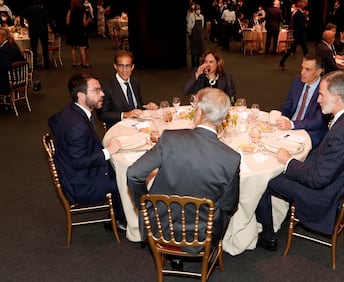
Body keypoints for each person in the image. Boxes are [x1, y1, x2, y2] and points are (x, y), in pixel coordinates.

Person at [255, 70, 344, 251]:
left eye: (321, 95)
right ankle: (284, 213)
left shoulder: (341, 135)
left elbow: (317, 179)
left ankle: (268, 236)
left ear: (336, 97)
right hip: (340, 184)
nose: (318, 100)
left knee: (265, 180)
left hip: (326, 196)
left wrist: (289, 162)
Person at [127, 87, 241, 268]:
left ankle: (174, 256)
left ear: (200, 112)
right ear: (223, 118)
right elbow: (229, 205)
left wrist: (145, 205)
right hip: (203, 232)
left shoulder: (170, 139)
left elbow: (133, 174)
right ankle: (210, 252)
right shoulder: (231, 158)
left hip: (161, 225)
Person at [48, 72, 127, 231]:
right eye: (96, 91)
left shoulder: (70, 110)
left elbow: (52, 121)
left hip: (74, 173)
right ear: (81, 95)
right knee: (128, 179)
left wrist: (65, 144)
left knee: (120, 166)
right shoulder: (77, 125)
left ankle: (119, 214)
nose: (102, 94)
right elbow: (78, 162)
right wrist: (107, 152)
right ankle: (121, 221)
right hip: (82, 183)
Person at [275, 53, 328, 148]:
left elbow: (317, 121)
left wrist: (292, 124)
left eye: (308, 70)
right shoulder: (298, 82)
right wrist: (280, 117)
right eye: (302, 68)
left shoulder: (325, 90)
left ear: (318, 72)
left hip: (310, 132)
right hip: (290, 127)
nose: (302, 72)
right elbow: (288, 105)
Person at [98, 50, 158, 129]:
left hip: (138, 123)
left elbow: (135, 105)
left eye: (127, 66)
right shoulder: (107, 87)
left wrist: (146, 106)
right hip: (119, 127)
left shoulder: (135, 82)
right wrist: (125, 114)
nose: (124, 70)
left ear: (132, 67)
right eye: (121, 66)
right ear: (115, 66)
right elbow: (102, 115)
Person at [20, 0, 54, 69]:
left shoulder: (29, 9)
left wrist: (22, 24)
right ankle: (46, 65)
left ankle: (34, 65)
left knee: (34, 48)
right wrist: (54, 30)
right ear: (41, 5)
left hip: (33, 31)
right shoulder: (44, 11)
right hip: (43, 31)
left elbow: (21, 14)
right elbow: (50, 21)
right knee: (45, 48)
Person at [279, 0, 308, 70]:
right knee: (305, 51)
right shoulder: (299, 13)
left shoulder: (300, 13)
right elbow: (301, 25)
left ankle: (282, 62)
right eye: (304, 3)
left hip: (298, 34)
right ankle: (308, 65)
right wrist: (305, 24)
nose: (305, 4)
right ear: (301, 4)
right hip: (299, 34)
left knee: (292, 49)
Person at [0, 28, 24, 96]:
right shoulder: (13, 44)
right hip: (20, 76)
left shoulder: (4, 49)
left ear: (3, 37)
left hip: (10, 80)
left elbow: (4, 67)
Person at [66, 0, 89, 68]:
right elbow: (84, 24)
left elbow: (67, 22)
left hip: (72, 32)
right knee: (82, 48)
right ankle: (84, 63)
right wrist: (88, 20)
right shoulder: (83, 12)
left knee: (73, 49)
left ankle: (74, 63)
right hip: (80, 32)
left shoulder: (70, 11)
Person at [187, 4, 204, 69]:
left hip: (200, 36)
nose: (198, 10)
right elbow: (189, 25)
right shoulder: (191, 16)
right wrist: (190, 33)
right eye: (197, 9)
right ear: (195, 10)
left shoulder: (202, 16)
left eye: (199, 9)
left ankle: (199, 64)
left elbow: (202, 26)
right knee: (194, 50)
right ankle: (194, 64)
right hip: (194, 35)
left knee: (200, 50)